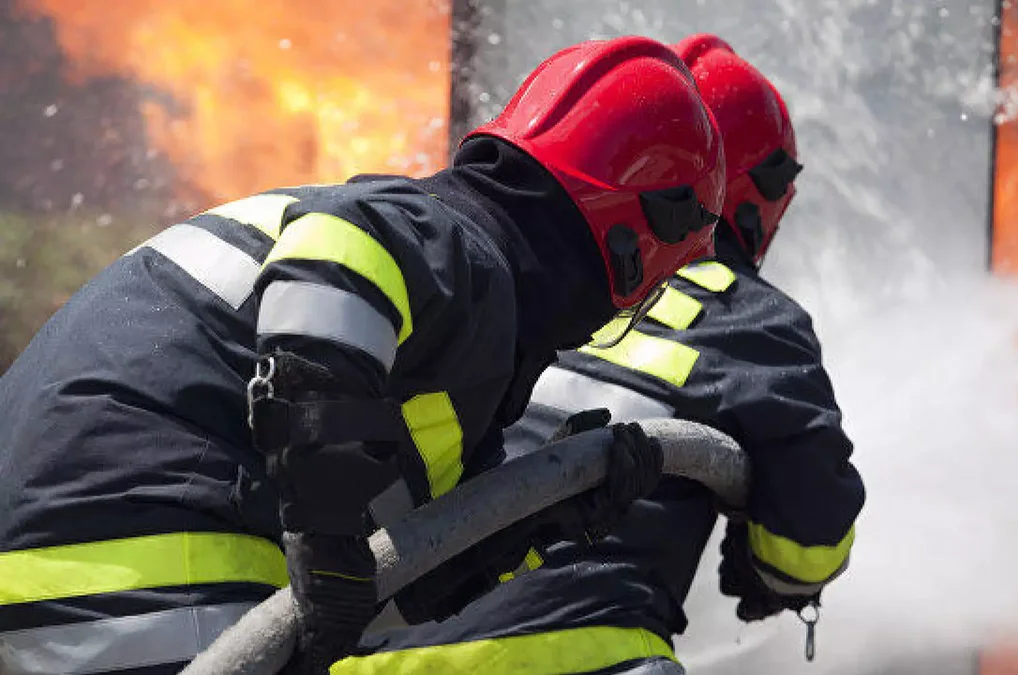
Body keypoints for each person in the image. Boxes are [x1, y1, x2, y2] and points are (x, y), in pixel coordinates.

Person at [0, 36, 727, 675]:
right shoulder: (455, 246)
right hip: (140, 569)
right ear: (637, 245)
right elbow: (337, 255)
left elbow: (382, 586)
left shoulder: (429, 332)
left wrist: (543, 519)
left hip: (60, 577)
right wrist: (326, 532)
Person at [335, 34, 865, 675]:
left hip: (364, 655)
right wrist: (769, 564)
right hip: (577, 659)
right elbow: (806, 547)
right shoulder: (749, 319)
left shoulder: (498, 281)